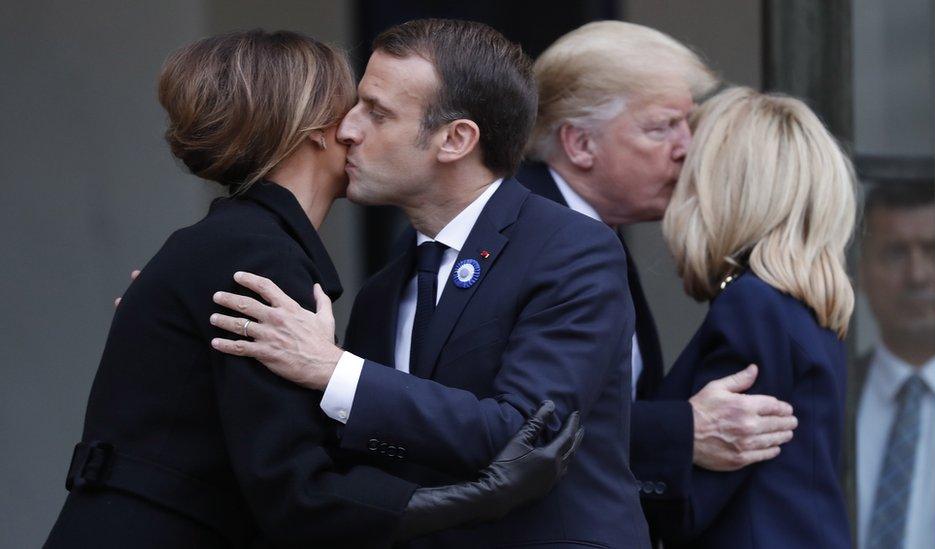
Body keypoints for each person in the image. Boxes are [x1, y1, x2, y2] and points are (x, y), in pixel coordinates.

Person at [45, 30, 581, 549]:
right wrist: (479, 497)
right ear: (316, 130)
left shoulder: (229, 243)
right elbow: (297, 493)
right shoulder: (257, 256)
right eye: (357, 108)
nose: (358, 130)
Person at [210, 19, 649, 548]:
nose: (346, 130)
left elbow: (529, 434)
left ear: (456, 139)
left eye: (377, 112)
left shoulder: (570, 248)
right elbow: (356, 454)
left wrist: (334, 369)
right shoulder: (384, 288)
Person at [515, 19, 798, 521]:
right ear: (580, 144)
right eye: (662, 126)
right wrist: (683, 430)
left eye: (688, 125)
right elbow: (514, 424)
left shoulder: (587, 229)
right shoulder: (522, 234)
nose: (687, 147)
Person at [645, 86, 856, 548]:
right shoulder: (803, 306)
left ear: (721, 189)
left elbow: (689, 504)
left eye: (688, 175)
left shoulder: (754, 305)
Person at [854, 180, 935, 549]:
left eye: (934, 251)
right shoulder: (827, 393)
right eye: (894, 253)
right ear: (860, 272)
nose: (917, 275)